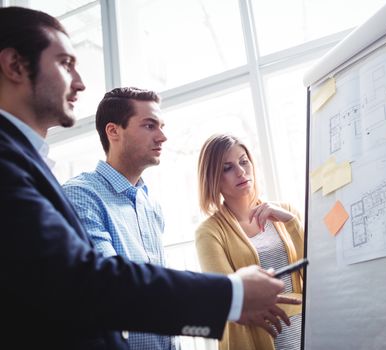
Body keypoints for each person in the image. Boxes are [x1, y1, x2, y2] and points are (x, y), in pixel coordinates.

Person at [0, 6, 297, 349]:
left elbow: (147, 311)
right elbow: (92, 289)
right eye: (65, 64)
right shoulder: (77, 192)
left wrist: (220, 315)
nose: (79, 82)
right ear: (15, 65)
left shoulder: (148, 203)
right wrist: (230, 295)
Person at [62, 87, 179, 350]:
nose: (162, 136)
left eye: (161, 126)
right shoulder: (81, 195)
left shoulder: (151, 204)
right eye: (150, 126)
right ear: (113, 131)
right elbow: (112, 285)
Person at [195, 134, 305, 350]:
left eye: (243, 161)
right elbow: (228, 298)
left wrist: (292, 223)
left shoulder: (286, 212)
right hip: (254, 341)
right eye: (227, 167)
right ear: (213, 178)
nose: (240, 171)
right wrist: (291, 303)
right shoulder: (208, 232)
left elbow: (316, 275)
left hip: (305, 334)